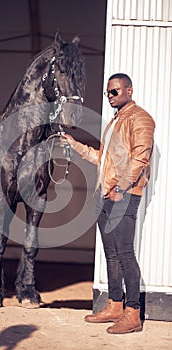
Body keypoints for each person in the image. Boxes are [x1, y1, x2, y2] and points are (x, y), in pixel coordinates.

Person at [62, 73, 155, 334]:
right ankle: (115, 305)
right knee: (111, 255)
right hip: (104, 195)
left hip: (123, 196)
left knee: (125, 254)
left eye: (114, 91)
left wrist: (121, 187)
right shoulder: (114, 121)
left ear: (129, 90)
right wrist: (76, 146)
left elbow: (141, 157)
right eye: (108, 93)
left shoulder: (141, 119)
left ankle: (133, 313)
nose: (110, 96)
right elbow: (102, 159)